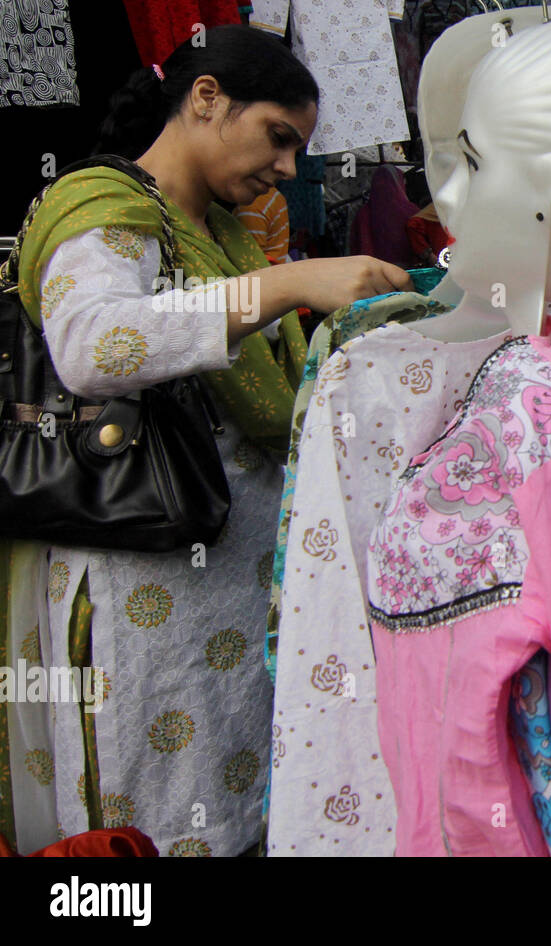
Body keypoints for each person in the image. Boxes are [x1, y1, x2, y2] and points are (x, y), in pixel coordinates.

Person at [11, 24, 411, 857]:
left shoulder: (224, 234)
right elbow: (94, 346)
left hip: (234, 590)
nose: (288, 169)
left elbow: (270, 400)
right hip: (143, 597)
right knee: (148, 825)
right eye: (278, 137)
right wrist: (291, 281)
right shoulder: (101, 206)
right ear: (205, 99)